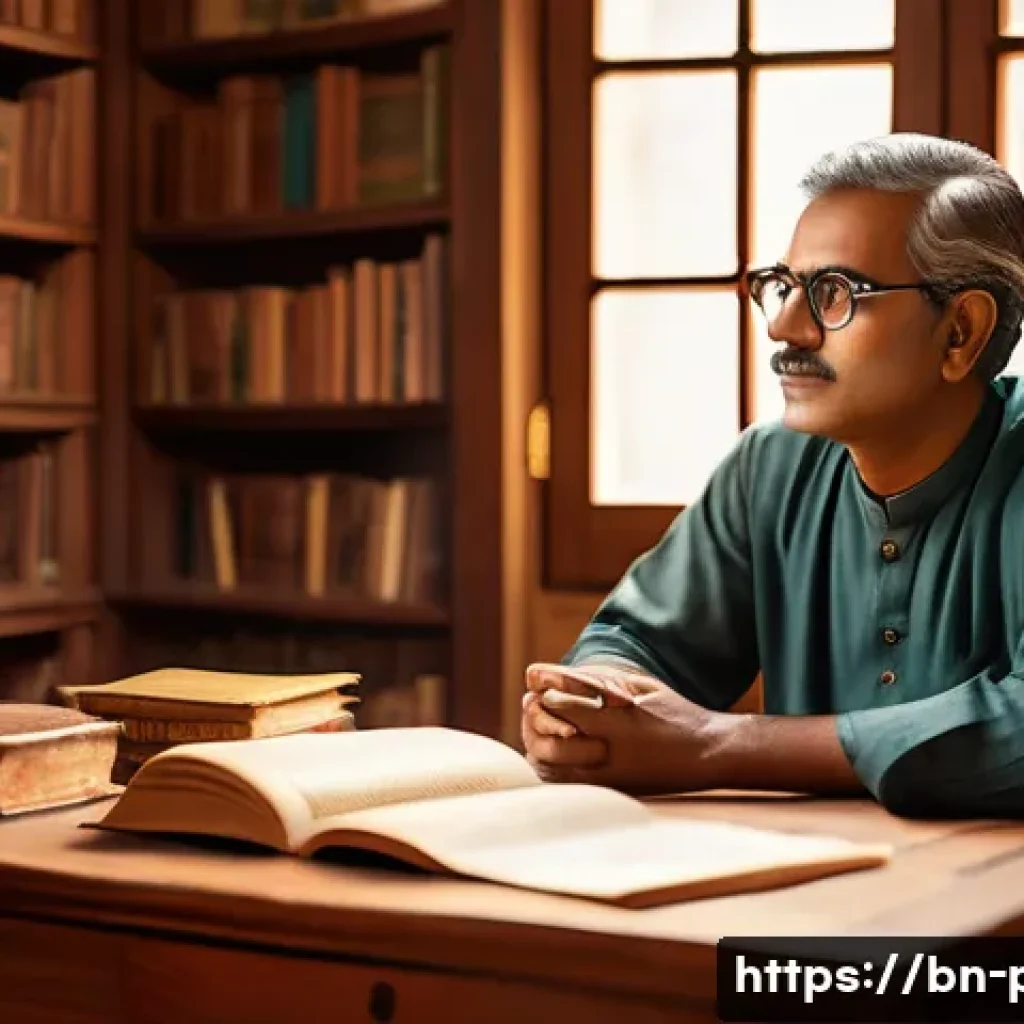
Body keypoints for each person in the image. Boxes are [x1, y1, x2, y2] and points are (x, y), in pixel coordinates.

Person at [521, 132, 1024, 818]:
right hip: (805, 872)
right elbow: (638, 642)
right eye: (783, 286)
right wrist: (593, 707)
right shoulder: (772, 465)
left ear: (960, 331)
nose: (784, 326)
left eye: (834, 292)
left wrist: (717, 745)